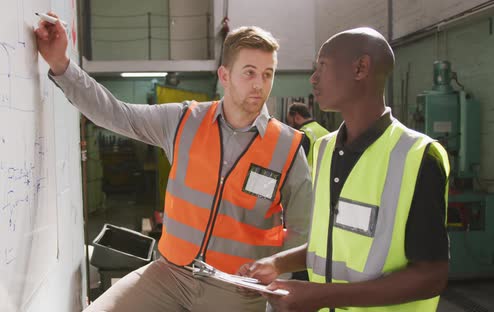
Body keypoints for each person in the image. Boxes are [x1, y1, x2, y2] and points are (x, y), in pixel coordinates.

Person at [35, 13, 313, 312]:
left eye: (268, 74)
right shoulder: (183, 121)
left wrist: (275, 282)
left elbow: (302, 229)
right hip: (171, 274)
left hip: (237, 290)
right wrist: (62, 65)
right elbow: (117, 114)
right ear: (224, 75)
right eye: (249, 72)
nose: (260, 84)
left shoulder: (287, 146)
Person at [238, 27, 450, 312]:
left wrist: (321, 296)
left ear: (360, 68)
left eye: (322, 67)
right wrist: (277, 263)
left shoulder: (417, 156)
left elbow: (430, 276)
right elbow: (330, 243)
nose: (313, 79)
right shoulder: (324, 149)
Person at [286, 102, 329, 168]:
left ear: (297, 118)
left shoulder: (303, 134)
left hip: (310, 177)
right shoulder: (325, 131)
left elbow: (295, 163)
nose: (290, 127)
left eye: (290, 123)